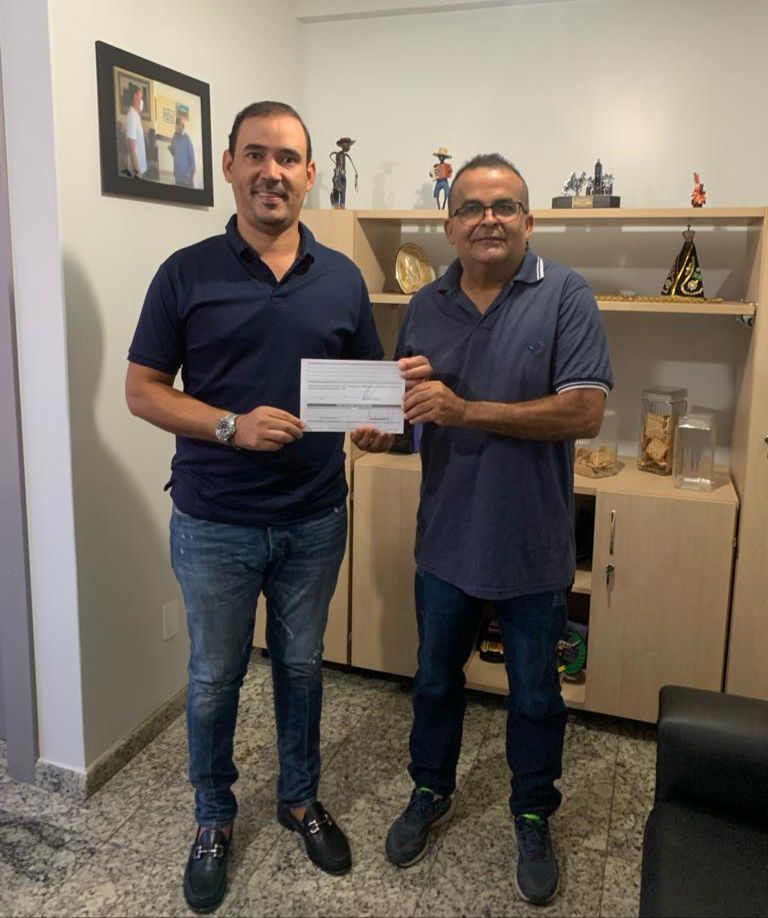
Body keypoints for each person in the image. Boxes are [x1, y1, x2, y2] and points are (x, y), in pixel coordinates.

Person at [125, 100, 427, 913]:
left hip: (314, 516)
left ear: (307, 174)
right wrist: (231, 425)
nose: (272, 172)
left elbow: (364, 393)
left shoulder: (342, 278)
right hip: (213, 520)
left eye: (288, 158)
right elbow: (142, 391)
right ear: (228, 165)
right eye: (256, 155)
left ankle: (299, 800)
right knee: (213, 678)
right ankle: (213, 818)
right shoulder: (185, 272)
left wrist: (377, 422)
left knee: (300, 668)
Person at [381, 154, 613, 906]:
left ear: (529, 221)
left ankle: (533, 811)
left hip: (532, 543)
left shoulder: (566, 294)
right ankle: (430, 789)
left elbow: (584, 411)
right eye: (472, 208)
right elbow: (411, 412)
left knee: (536, 695)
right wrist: (385, 430)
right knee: (434, 681)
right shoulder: (425, 303)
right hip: (445, 540)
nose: (488, 219)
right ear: (450, 225)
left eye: (504, 206)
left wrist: (464, 410)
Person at [124, 83, 147, 178]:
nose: (142, 100)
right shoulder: (132, 116)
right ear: (135, 96)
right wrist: (138, 173)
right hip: (137, 172)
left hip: (142, 168)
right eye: (141, 97)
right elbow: (131, 147)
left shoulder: (136, 116)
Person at [169, 115, 196, 187]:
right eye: (176, 124)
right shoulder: (174, 138)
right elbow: (174, 153)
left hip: (187, 177)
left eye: (178, 125)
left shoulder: (187, 139)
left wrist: (192, 176)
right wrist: (171, 150)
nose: (176, 127)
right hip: (177, 175)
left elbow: (192, 157)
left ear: (182, 126)